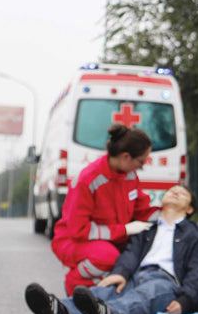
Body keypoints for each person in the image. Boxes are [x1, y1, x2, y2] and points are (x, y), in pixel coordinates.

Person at [26, 184, 198, 314]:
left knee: (143, 296)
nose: (175, 192)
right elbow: (131, 252)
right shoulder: (146, 226)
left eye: (182, 193)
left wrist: (185, 301)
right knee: (104, 292)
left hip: (167, 282)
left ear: (190, 209)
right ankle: (59, 311)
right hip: (135, 276)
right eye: (172, 190)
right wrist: (120, 273)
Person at [51, 123, 160, 295]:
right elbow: (79, 230)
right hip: (72, 240)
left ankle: (99, 292)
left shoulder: (128, 175)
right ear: (125, 157)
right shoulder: (87, 180)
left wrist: (167, 214)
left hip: (111, 240)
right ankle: (74, 285)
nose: (141, 166)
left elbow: (142, 209)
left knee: (138, 252)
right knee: (107, 257)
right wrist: (123, 230)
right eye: (141, 161)